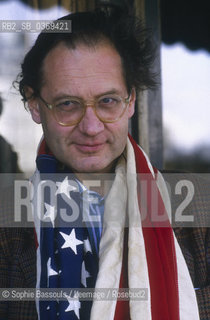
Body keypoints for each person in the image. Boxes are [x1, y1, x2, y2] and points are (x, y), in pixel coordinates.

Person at [0, 9, 207, 320]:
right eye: (67, 104)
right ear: (34, 105)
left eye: (108, 101)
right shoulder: (7, 223)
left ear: (132, 100)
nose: (91, 127)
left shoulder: (200, 207)